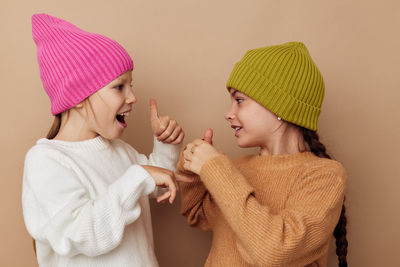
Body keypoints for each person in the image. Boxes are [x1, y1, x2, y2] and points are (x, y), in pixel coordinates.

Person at [23, 13, 190, 267]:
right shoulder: (46, 161)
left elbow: (156, 185)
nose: (133, 97)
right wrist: (139, 175)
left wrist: (165, 145)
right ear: (78, 95)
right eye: (119, 87)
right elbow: (83, 234)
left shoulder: (119, 151)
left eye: (130, 86)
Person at [178, 42, 348, 267]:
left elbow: (274, 252)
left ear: (280, 106)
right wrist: (193, 168)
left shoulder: (324, 175)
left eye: (239, 100)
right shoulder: (238, 167)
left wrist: (215, 169)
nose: (228, 114)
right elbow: (197, 215)